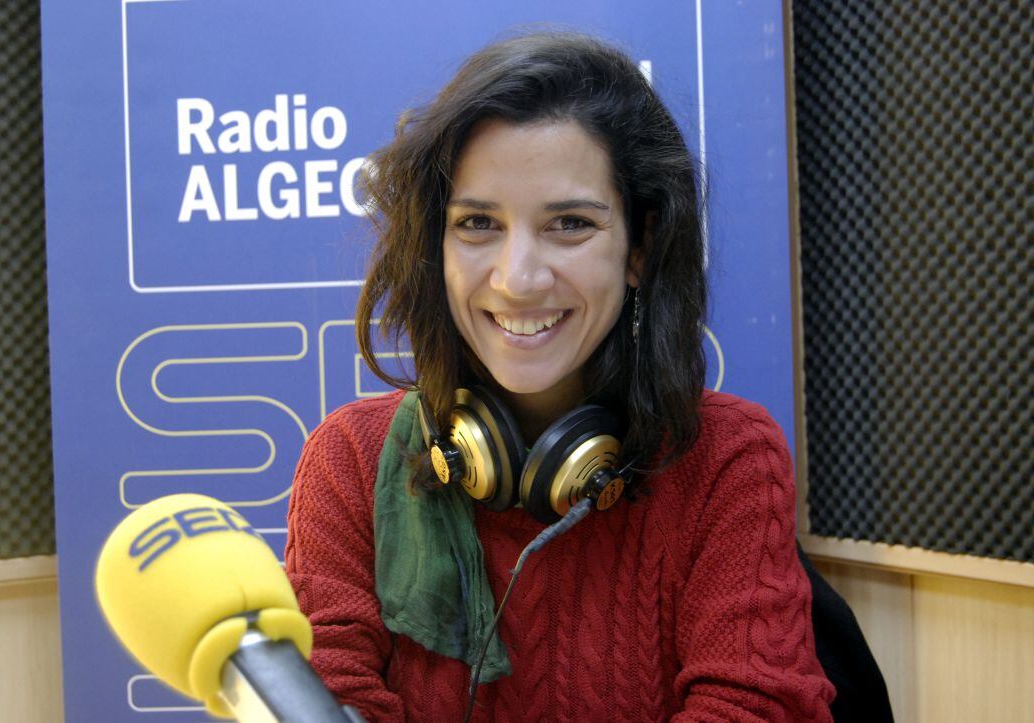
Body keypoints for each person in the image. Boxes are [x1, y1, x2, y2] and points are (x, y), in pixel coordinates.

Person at [286, 32, 836, 722]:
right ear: (437, 243)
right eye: (478, 222)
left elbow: (755, 707)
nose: (518, 278)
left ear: (639, 247)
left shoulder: (729, 458)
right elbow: (328, 698)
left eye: (570, 223)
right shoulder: (351, 462)